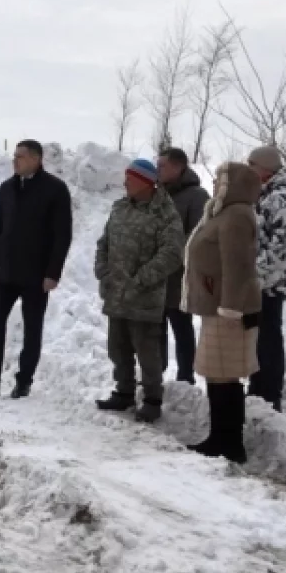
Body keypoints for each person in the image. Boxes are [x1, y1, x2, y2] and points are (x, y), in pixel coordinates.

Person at [0, 139, 73, 399]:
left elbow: (62, 235)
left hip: (36, 275)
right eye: (14, 156)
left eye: (20, 157)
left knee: (32, 329)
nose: (15, 161)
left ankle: (23, 382)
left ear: (35, 159)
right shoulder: (7, 188)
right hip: (6, 272)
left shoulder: (55, 190)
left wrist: (53, 273)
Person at [181, 161, 263, 464]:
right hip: (218, 307)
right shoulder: (224, 212)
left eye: (220, 179)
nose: (215, 183)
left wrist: (230, 307)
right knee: (217, 373)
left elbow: (238, 266)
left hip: (230, 310)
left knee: (225, 375)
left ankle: (230, 442)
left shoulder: (237, 216)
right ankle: (221, 437)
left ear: (234, 183)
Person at [94, 158, 184, 423]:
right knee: (117, 347)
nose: (125, 183)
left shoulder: (165, 213)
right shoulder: (120, 207)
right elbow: (104, 242)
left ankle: (152, 399)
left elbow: (172, 253)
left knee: (147, 351)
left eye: (130, 179)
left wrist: (142, 279)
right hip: (116, 292)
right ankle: (123, 392)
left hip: (145, 296)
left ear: (146, 182)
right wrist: (103, 270)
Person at [246, 145, 286, 413]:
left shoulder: (282, 198)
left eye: (252, 165)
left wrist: (254, 277)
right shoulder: (264, 195)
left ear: (265, 169)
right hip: (259, 283)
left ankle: (269, 396)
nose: (249, 170)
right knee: (258, 339)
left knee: (268, 340)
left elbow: (281, 250)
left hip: (270, 285)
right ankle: (257, 391)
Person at [156, 147, 210, 384]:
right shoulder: (159, 194)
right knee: (154, 327)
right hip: (155, 276)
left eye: (162, 166)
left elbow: (198, 237)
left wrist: (167, 257)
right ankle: (154, 374)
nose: (158, 170)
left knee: (181, 328)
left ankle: (185, 378)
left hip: (179, 277)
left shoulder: (197, 196)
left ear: (178, 167)